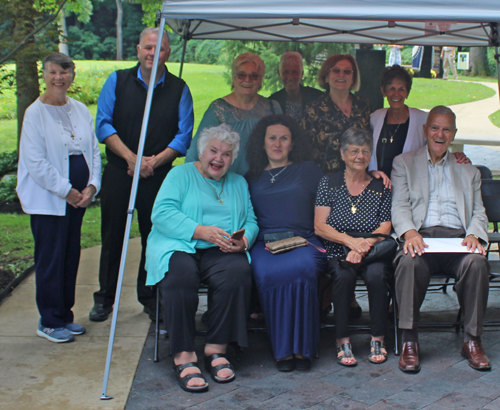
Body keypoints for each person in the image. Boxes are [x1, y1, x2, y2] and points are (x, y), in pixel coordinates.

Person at [89, 27, 194, 322]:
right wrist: (131, 158)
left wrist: (153, 162)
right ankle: (105, 298)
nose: (152, 53)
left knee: (155, 236)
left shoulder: (179, 88)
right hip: (121, 171)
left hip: (158, 176)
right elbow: (103, 125)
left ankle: (149, 297)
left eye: (159, 49)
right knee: (113, 236)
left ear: (168, 53)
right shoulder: (118, 81)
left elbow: (183, 135)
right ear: (138, 49)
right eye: (148, 47)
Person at [145, 124, 258, 393]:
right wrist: (200, 231)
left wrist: (243, 241)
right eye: (213, 151)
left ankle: (217, 348)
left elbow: (251, 220)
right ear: (201, 151)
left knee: (237, 273)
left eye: (227, 154)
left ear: (233, 158)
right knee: (180, 276)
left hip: (221, 249)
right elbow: (161, 214)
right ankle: (183, 355)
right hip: (179, 244)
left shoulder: (239, 183)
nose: (219, 159)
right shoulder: (179, 175)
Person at [392, 106, 491, 373]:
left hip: (457, 242)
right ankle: (409, 341)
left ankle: (472, 340)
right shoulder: (404, 163)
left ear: (454, 134)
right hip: (421, 240)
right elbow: (399, 206)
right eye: (435, 127)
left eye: (447, 129)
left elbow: (479, 211)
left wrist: (473, 234)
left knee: (478, 263)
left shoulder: (468, 170)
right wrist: (409, 232)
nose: (440, 134)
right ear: (425, 131)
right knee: (408, 263)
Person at [17, 53, 101, 343]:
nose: (58, 78)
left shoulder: (79, 109)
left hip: (77, 199)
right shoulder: (34, 113)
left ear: (72, 76)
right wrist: (67, 191)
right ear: (44, 75)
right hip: (49, 200)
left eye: (64, 73)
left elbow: (93, 151)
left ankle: (65, 314)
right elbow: (36, 162)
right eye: (53, 72)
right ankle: (49, 321)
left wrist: (91, 186)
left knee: (69, 257)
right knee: (51, 259)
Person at [245, 114, 327, 372]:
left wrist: (372, 173)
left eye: (284, 138)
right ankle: (282, 350)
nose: (277, 144)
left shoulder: (308, 170)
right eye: (272, 138)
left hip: (303, 240)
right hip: (264, 243)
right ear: (262, 142)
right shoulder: (250, 177)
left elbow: (337, 190)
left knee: (302, 268)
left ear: (293, 143)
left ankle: (302, 349)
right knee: (267, 271)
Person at [315, 128, 392, 366]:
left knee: (378, 275)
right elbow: (319, 226)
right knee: (343, 275)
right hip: (338, 250)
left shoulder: (381, 185)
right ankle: (342, 340)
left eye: (365, 151)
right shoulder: (329, 182)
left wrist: (362, 247)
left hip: (371, 250)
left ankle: (378, 338)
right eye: (354, 150)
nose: (360, 156)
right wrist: (350, 243)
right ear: (342, 153)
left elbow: (385, 226)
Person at [185, 52, 281, 175]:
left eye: (254, 76)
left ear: (261, 79)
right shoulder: (218, 109)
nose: (247, 80)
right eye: (241, 75)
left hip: (265, 184)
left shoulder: (273, 108)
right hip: (228, 186)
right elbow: (195, 154)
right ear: (234, 78)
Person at [301, 54, 371, 174]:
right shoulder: (313, 109)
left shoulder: (363, 106)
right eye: (336, 70)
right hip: (325, 180)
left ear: (353, 78)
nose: (341, 74)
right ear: (326, 77)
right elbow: (303, 150)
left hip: (359, 178)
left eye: (347, 71)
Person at [269, 52, 323, 122]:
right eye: (286, 72)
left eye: (294, 72)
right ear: (279, 74)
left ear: (302, 74)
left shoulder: (317, 98)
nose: (290, 77)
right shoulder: (273, 102)